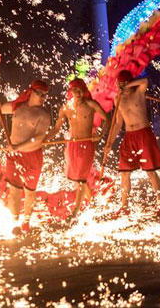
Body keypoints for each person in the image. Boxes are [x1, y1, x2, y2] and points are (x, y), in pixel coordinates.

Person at [0, 80, 51, 233]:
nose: (43, 97)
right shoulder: (18, 106)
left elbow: (38, 139)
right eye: (40, 94)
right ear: (31, 92)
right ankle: (15, 222)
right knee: (14, 190)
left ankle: (26, 222)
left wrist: (17, 146)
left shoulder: (43, 114)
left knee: (30, 191)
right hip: (14, 156)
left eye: (45, 95)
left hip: (32, 157)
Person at [47, 78, 110, 218]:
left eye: (79, 90)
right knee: (76, 179)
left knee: (81, 179)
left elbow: (107, 120)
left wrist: (100, 135)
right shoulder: (66, 108)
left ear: (84, 90)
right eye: (74, 90)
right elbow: (56, 128)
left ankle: (75, 211)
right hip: (72, 146)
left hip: (86, 145)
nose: (77, 93)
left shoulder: (91, 104)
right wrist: (44, 139)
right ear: (71, 92)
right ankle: (92, 203)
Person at [107, 70, 160, 216]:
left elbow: (144, 81)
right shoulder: (118, 99)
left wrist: (127, 86)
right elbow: (118, 123)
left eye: (123, 83)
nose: (120, 86)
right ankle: (124, 206)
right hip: (129, 136)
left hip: (143, 134)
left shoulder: (138, 92)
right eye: (119, 84)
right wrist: (109, 142)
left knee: (150, 171)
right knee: (124, 173)